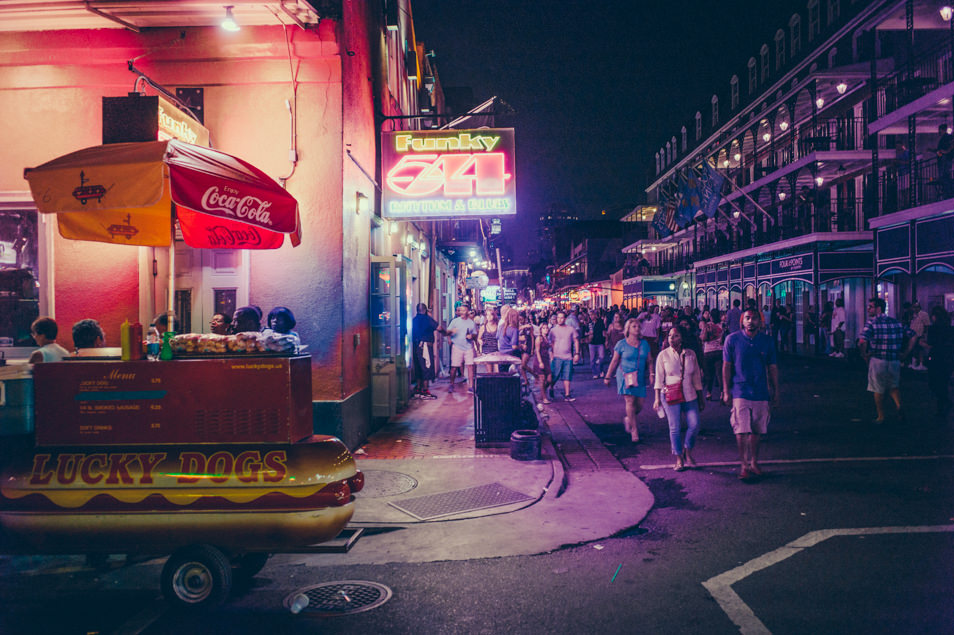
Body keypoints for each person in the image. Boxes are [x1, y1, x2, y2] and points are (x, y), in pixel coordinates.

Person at [722, 308, 779, 480]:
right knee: (741, 429)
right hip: (740, 390)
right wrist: (726, 391)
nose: (750, 321)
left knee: (756, 430)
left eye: (754, 318)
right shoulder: (732, 340)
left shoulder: (767, 341)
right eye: (747, 318)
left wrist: (776, 390)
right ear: (742, 321)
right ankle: (744, 465)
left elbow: (772, 367)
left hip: (761, 391)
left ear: (760, 322)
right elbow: (726, 366)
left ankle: (754, 462)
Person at [857, 297, 916, 424]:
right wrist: (905, 353)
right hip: (894, 360)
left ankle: (881, 416)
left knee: (877, 388)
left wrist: (864, 354)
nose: (868, 309)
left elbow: (863, 341)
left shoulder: (871, 323)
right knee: (893, 386)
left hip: (878, 359)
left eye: (871, 306)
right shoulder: (896, 322)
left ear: (878, 308)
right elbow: (913, 336)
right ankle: (899, 405)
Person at [654, 325, 705, 471]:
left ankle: (687, 450)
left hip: (690, 394)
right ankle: (678, 457)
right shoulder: (663, 355)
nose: (672, 338)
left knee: (694, 425)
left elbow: (696, 377)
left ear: (682, 338)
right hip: (670, 395)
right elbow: (659, 378)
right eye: (670, 336)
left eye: (675, 336)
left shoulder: (690, 354)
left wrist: (701, 397)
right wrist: (657, 398)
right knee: (674, 427)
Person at [604, 317, 652, 443]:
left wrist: (652, 374)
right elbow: (614, 361)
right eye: (634, 326)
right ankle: (634, 430)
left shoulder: (644, 344)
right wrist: (608, 376)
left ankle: (629, 419)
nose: (637, 329)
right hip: (625, 375)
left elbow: (650, 360)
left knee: (640, 405)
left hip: (640, 376)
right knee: (630, 401)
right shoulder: (621, 344)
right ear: (628, 329)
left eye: (638, 326)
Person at [924, 305, 954, 419]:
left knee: (934, 383)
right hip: (948, 359)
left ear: (935, 317)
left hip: (936, 359)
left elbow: (932, 343)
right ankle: (943, 405)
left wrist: (923, 344)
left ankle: (943, 405)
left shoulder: (933, 329)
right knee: (943, 383)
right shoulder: (950, 329)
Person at [548, 311, 580, 401]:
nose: (559, 319)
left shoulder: (571, 329)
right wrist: (551, 355)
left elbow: (576, 341)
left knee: (567, 375)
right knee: (554, 375)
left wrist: (577, 353)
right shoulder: (553, 330)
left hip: (568, 356)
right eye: (558, 318)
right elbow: (551, 344)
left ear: (565, 319)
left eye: (562, 318)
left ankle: (567, 394)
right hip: (556, 356)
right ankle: (551, 387)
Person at [446, 304, 478, 394]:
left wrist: (471, 336)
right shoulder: (455, 321)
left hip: (468, 347)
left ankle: (471, 386)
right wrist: (450, 335)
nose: (462, 312)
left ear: (468, 311)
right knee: (454, 367)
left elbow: (475, 334)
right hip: (457, 347)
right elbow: (447, 332)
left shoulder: (471, 323)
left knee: (470, 366)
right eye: (461, 310)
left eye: (464, 310)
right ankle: (451, 384)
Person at [411, 303, 439, 400]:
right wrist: (447, 333)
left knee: (418, 366)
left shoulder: (413, 320)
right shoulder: (428, 319)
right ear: (425, 310)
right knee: (427, 367)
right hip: (425, 346)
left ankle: (418, 389)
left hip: (415, 346)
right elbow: (439, 328)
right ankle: (425, 391)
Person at [700, 308, 724, 400]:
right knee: (719, 374)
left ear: (710, 316)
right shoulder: (722, 325)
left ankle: (709, 393)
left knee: (709, 374)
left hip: (708, 351)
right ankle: (722, 393)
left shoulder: (707, 325)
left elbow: (703, 338)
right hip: (719, 351)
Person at [908, 301, 931, 370]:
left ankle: (921, 364)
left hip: (920, 335)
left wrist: (924, 335)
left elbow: (927, 325)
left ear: (919, 307)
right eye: (913, 307)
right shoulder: (913, 315)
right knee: (914, 349)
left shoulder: (924, 314)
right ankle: (914, 363)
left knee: (920, 350)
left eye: (916, 307)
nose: (914, 309)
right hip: (913, 335)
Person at [535, 323, 554, 403]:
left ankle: (542, 392)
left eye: (546, 328)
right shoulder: (539, 338)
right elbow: (537, 351)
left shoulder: (546, 338)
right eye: (544, 328)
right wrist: (540, 362)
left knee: (549, 380)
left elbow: (548, 347)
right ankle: (544, 398)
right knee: (542, 379)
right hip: (540, 360)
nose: (546, 329)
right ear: (541, 329)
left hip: (546, 360)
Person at [477, 306, 500, 373]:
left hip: (496, 351)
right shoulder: (483, 327)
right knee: (489, 372)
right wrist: (480, 341)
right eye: (487, 315)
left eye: (491, 314)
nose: (489, 316)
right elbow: (479, 338)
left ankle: (497, 383)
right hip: (487, 351)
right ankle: (492, 383)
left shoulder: (498, 325)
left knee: (498, 372)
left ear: (494, 315)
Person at [936, 123, 954, 197]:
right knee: (944, 176)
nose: (938, 132)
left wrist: (946, 151)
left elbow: (951, 145)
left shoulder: (948, 137)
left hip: (945, 159)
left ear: (942, 130)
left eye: (939, 130)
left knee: (945, 175)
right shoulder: (944, 138)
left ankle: (948, 192)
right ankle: (946, 191)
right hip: (943, 159)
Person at [589, 310, 607, 379]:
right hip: (592, 342)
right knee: (592, 359)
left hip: (600, 342)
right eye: (590, 315)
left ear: (595, 315)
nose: (591, 316)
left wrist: (606, 340)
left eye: (592, 315)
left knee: (602, 358)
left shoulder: (600, 322)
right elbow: (586, 332)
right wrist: (588, 334)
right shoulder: (589, 323)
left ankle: (600, 370)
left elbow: (603, 331)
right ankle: (595, 373)